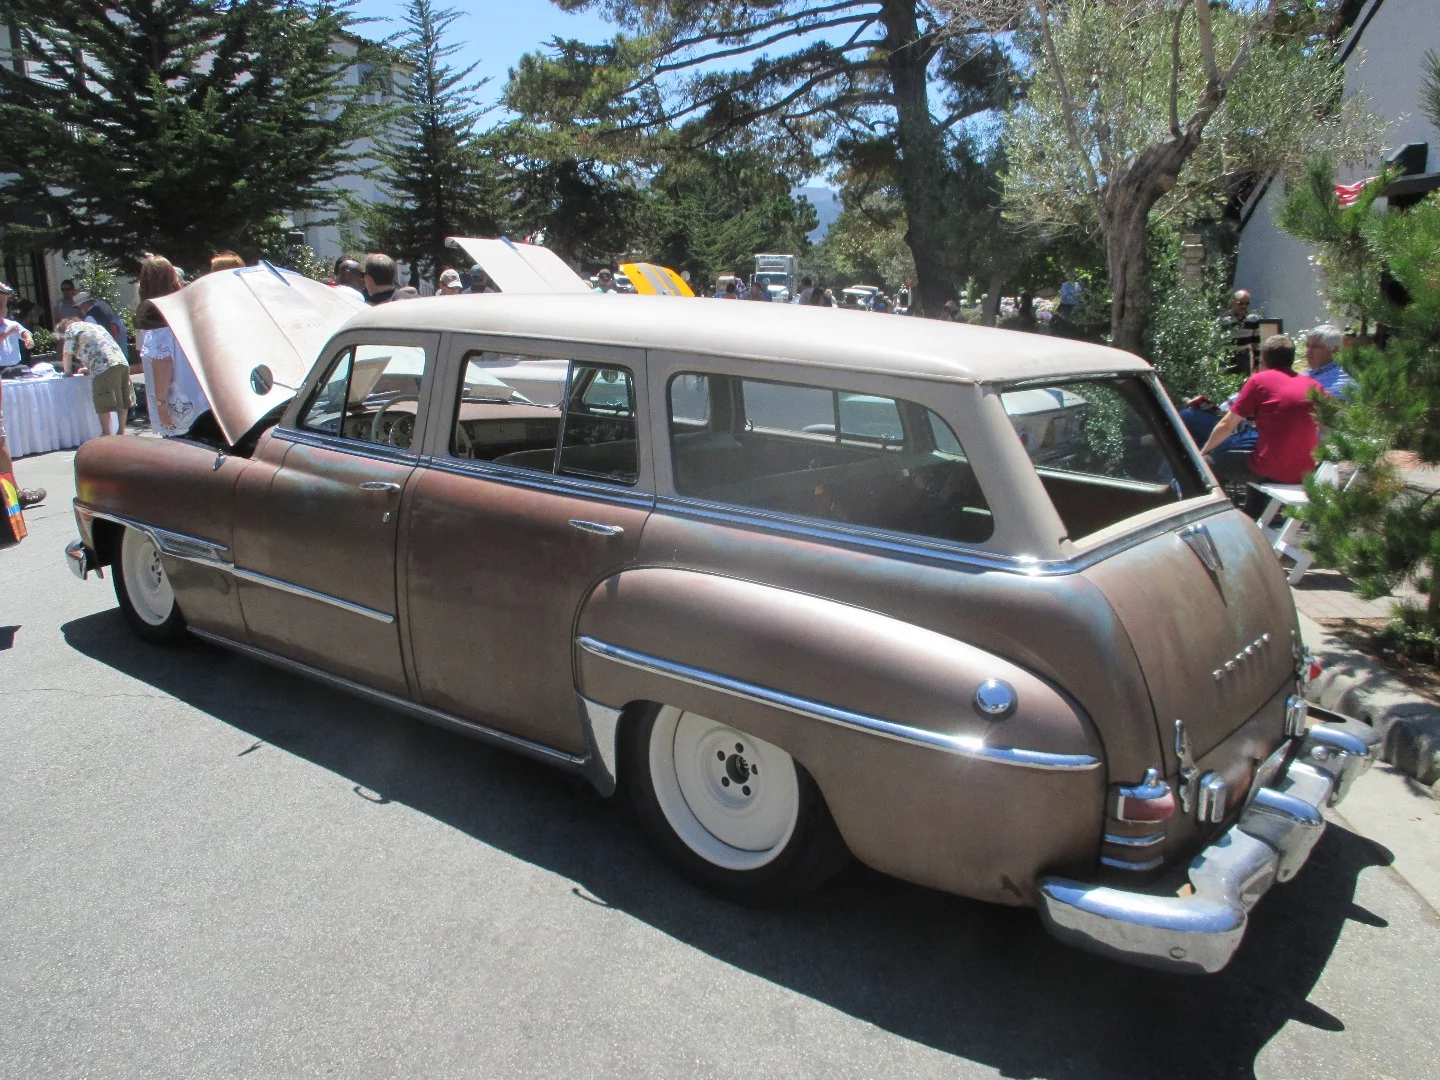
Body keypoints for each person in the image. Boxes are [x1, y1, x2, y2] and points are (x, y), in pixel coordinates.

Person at [1200, 334, 1324, 517]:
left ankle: (1222, 516)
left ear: (1264, 359)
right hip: (1305, 471)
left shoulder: (1260, 380)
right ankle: (1252, 515)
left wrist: (1203, 452)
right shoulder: (1314, 386)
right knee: (1257, 457)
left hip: (1270, 468)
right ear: (1292, 358)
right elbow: (1324, 426)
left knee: (1208, 464)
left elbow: (1227, 424)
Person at [134, 255, 208, 439]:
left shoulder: (154, 315)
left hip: (178, 396)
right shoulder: (184, 306)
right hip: (198, 393)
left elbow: (163, 360)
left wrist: (161, 404)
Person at [58, 316, 134, 436]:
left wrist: (67, 372)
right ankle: (121, 432)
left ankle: (106, 433)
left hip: (103, 365)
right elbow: (97, 346)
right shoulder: (94, 326)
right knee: (122, 397)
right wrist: (88, 368)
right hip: (121, 361)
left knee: (103, 399)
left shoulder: (71, 329)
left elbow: (67, 353)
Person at [71, 290, 129, 359]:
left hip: (103, 355)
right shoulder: (100, 312)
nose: (79, 310)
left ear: (83, 304)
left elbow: (91, 340)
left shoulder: (90, 318)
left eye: (78, 307)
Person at [1303, 324, 1356, 399]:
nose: (1308, 351)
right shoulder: (1309, 373)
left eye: (1315, 347)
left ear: (1335, 350)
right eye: (1307, 346)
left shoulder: (1341, 384)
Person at [1219, 289, 1262, 375]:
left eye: (1246, 303)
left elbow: (1256, 343)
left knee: (1245, 386)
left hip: (1245, 358)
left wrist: (1257, 363)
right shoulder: (1224, 321)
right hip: (1228, 357)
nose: (1244, 306)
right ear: (1233, 302)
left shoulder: (1253, 320)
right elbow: (1217, 343)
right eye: (1240, 303)